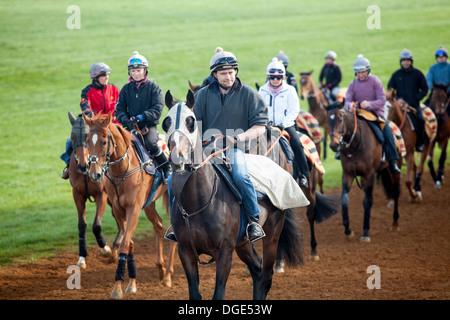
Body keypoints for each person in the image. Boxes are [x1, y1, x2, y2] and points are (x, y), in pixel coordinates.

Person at [168, 47, 268, 243]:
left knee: (239, 175)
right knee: (175, 178)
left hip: (235, 148)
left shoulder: (249, 94)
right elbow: (193, 126)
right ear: (214, 74)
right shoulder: (202, 95)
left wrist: (238, 138)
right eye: (223, 73)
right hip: (205, 149)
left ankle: (253, 221)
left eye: (231, 73)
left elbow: (260, 128)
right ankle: (176, 223)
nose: (228, 77)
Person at [115, 51, 171, 183]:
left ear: (145, 70)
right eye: (133, 71)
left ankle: (165, 167)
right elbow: (119, 108)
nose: (136, 74)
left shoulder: (154, 88)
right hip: (130, 126)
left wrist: (141, 117)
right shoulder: (126, 89)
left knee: (151, 144)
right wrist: (125, 120)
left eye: (139, 70)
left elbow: (157, 109)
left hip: (148, 126)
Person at [60, 62, 120, 179]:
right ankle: (68, 166)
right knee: (69, 141)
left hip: (113, 125)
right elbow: (84, 105)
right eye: (104, 75)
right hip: (94, 126)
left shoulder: (114, 89)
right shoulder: (87, 91)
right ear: (96, 78)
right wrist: (92, 117)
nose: (107, 77)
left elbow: (120, 106)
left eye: (107, 75)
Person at [344, 54, 401, 173]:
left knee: (387, 132)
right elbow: (347, 100)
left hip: (375, 115)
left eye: (362, 72)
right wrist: (348, 105)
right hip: (359, 114)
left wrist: (369, 104)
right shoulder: (353, 84)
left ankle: (392, 160)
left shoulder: (375, 81)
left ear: (368, 70)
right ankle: (342, 153)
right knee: (344, 129)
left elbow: (382, 100)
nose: (360, 75)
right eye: (358, 73)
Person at [258, 57, 310, 188]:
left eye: (278, 77)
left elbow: (294, 110)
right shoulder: (262, 91)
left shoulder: (290, 90)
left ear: (283, 77)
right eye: (272, 77)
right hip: (267, 126)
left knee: (297, 144)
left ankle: (304, 174)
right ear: (268, 77)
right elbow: (259, 109)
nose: (275, 80)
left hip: (286, 125)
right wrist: (264, 122)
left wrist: (283, 124)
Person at [387, 49, 428, 152]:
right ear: (401, 62)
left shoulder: (417, 74)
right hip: (399, 106)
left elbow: (425, 88)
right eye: (404, 60)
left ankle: (420, 143)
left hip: (413, 106)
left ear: (411, 61)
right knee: (389, 119)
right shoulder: (396, 75)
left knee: (421, 120)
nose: (406, 62)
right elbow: (390, 89)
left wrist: (416, 98)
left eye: (408, 60)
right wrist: (396, 100)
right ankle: (390, 144)